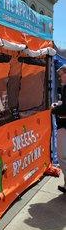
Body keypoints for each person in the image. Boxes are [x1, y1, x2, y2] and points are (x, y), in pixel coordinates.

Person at [51, 64, 66, 193]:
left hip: (64, 126)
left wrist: (54, 109)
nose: (60, 78)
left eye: (61, 75)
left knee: (62, 156)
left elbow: (65, 109)